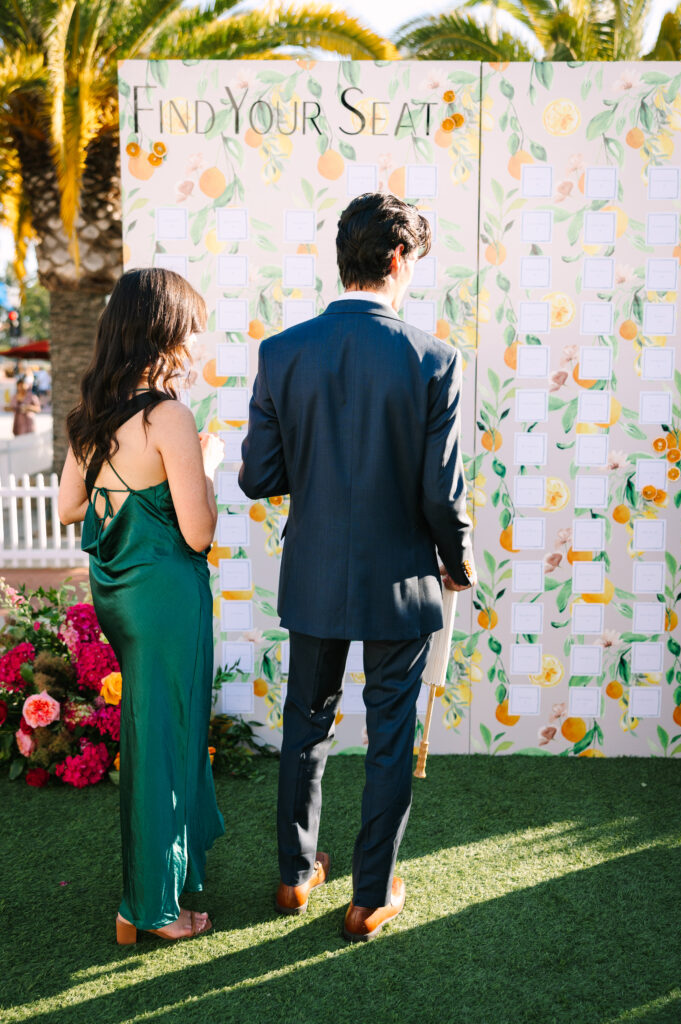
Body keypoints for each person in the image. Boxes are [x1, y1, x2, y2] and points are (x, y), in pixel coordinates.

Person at [239, 192, 476, 943]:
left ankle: (293, 875)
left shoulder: (281, 352)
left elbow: (257, 477)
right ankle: (369, 897)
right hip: (402, 580)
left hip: (311, 573)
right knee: (388, 734)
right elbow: (442, 493)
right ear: (398, 260)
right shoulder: (433, 358)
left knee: (305, 723)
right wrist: (458, 559)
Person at [58, 268, 226, 944]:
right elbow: (199, 532)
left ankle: (155, 892)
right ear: (164, 330)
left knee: (152, 735)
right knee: (165, 745)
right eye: (189, 323)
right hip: (167, 599)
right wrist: (206, 463)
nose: (194, 337)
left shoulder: (94, 414)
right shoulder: (169, 416)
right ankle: (150, 908)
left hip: (119, 595)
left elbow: (71, 506)